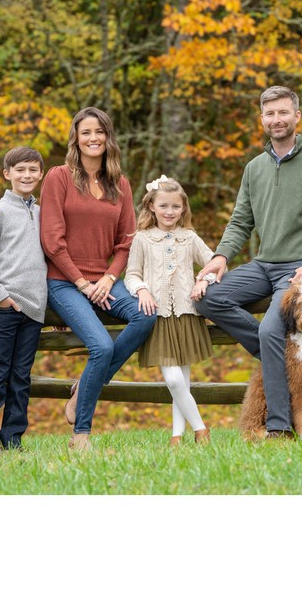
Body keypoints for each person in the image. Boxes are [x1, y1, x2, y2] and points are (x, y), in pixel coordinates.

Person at [195, 85, 302, 440]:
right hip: (264, 264)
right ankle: (280, 354)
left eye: (283, 112)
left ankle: (280, 427)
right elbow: (240, 222)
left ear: (297, 116)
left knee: (269, 330)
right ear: (262, 119)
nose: (276, 119)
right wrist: (220, 257)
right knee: (207, 297)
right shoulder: (254, 168)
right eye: (270, 114)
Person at [40, 107, 156, 452]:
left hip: (104, 278)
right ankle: (81, 435)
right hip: (63, 280)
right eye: (86, 132)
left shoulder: (120, 184)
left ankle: (84, 388)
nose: (93, 138)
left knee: (145, 315)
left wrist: (108, 277)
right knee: (102, 346)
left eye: (99, 132)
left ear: (108, 138)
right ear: (75, 137)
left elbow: (126, 241)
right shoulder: (58, 177)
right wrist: (82, 283)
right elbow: (51, 240)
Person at [124, 175, 216, 447]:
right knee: (175, 380)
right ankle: (201, 429)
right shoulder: (142, 239)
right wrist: (141, 289)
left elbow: (213, 263)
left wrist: (203, 279)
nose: (169, 212)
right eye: (163, 206)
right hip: (159, 316)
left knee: (182, 382)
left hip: (186, 314)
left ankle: (177, 436)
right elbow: (131, 274)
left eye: (176, 207)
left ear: (183, 209)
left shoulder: (189, 237)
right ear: (151, 206)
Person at [0, 146, 48, 452]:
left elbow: (48, 261)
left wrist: (50, 306)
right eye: (20, 170)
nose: (26, 175)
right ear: (7, 174)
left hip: (34, 309)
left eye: (32, 170)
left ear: (40, 174)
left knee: (21, 377)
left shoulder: (43, 213)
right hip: (5, 307)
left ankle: (12, 438)